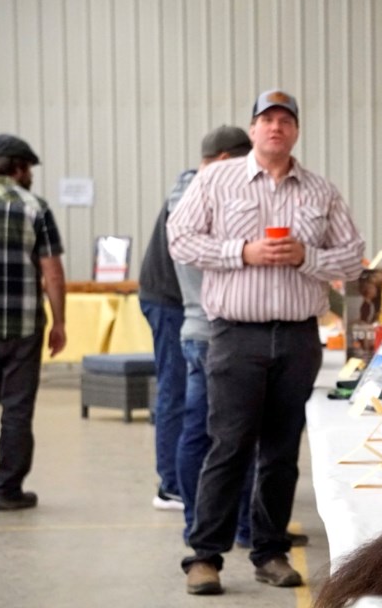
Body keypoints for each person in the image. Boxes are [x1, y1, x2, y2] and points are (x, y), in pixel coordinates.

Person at [168, 89, 365, 595]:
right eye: (266, 119)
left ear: (295, 131)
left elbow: (351, 257)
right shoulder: (217, 180)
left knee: (280, 452)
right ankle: (204, 557)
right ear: (253, 129)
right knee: (229, 445)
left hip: (299, 338)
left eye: (285, 120)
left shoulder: (320, 191)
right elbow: (180, 238)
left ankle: (270, 551)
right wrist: (243, 252)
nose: (276, 127)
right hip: (237, 336)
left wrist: (306, 256)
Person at [0, 134, 66, 511]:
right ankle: (8, 491)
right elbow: (52, 273)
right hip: (23, 328)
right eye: (29, 170)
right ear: (19, 167)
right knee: (18, 409)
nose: (31, 176)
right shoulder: (35, 207)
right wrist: (59, 323)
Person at [169, 125, 256, 548]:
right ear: (224, 161)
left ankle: (198, 525)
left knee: (203, 434)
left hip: (197, 328)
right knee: (228, 439)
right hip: (216, 331)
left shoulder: (181, 194)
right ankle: (236, 528)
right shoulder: (201, 195)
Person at [139, 156, 188, 511]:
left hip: (169, 297)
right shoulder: (191, 188)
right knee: (175, 389)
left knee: (179, 389)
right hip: (170, 301)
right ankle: (170, 485)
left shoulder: (190, 183)